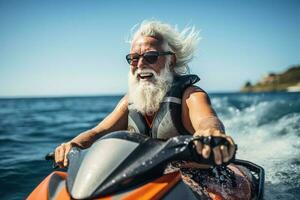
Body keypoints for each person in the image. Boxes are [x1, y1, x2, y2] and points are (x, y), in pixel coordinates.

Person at [55, 20, 250, 199]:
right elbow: (98, 132)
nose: (140, 64)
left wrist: (211, 134)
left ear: (171, 60)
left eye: (150, 56)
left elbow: (207, 120)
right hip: (148, 177)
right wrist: (73, 144)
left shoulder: (190, 95)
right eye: (134, 58)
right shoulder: (129, 102)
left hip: (202, 176)